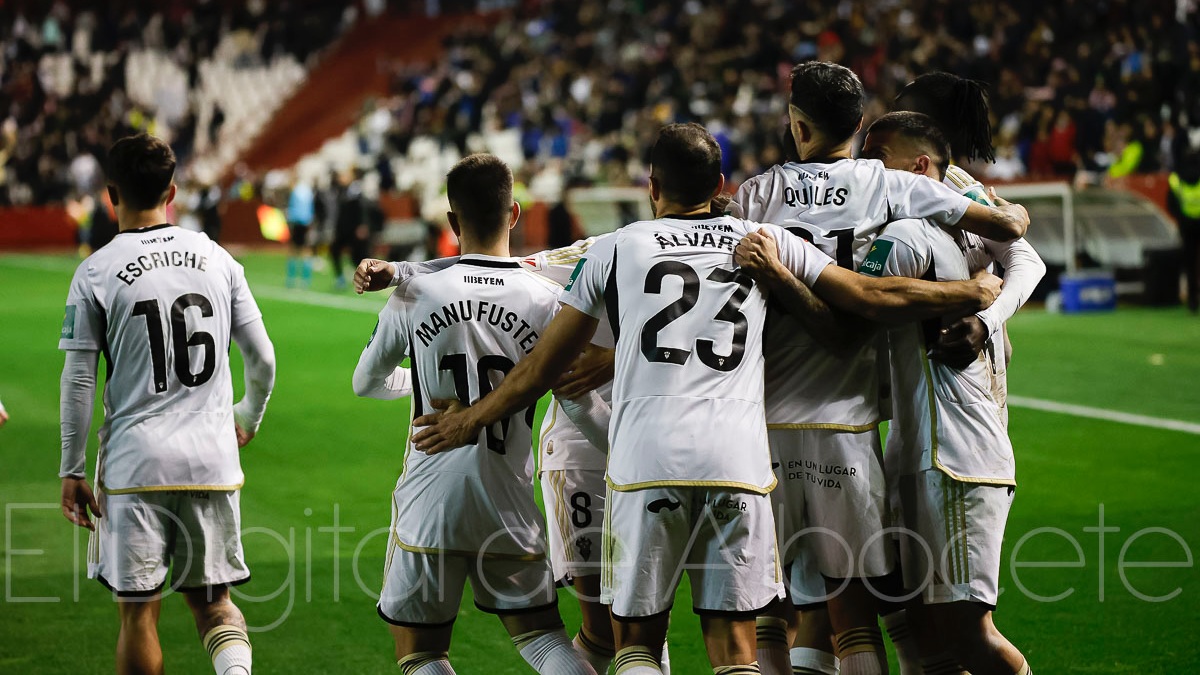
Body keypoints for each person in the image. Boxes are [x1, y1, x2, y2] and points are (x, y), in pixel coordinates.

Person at [408, 123, 1002, 674]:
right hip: (738, 464)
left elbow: (540, 369)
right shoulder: (759, 239)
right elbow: (869, 294)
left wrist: (470, 421)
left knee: (637, 642)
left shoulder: (618, 247)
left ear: (651, 185)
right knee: (737, 646)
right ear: (721, 187)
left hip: (645, 464)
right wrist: (967, 289)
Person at [729, 62, 1029, 675]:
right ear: (859, 124)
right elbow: (1011, 237)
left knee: (780, 605)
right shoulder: (896, 187)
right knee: (859, 609)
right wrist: (977, 287)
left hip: (760, 426)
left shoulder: (756, 194)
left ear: (796, 124)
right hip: (854, 425)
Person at [352, 153, 598, 675]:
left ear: (451, 221)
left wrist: (415, 386)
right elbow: (580, 403)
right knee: (543, 639)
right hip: (507, 500)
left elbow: (364, 382)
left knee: (421, 653)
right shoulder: (549, 299)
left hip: (430, 499)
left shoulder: (415, 292)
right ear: (514, 215)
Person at [58, 133, 276, 675]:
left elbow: (79, 379)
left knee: (138, 617)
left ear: (112, 194)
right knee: (216, 606)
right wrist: (245, 419)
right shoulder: (218, 258)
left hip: (136, 465)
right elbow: (264, 360)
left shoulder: (95, 271)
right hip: (212, 460)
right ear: (172, 190)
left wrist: (72, 467)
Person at [856, 111, 1036, 674]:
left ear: (920, 166)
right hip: (919, 449)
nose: (866, 169)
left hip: (957, 456)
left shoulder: (912, 231)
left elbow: (856, 302)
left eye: (877, 155)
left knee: (965, 631)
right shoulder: (940, 227)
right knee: (920, 624)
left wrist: (990, 322)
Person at [1167, 153, 1200, 312]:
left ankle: (1192, 300)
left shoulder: (1176, 179)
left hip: (1186, 227)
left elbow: (1171, 204)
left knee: (1190, 264)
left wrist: (1181, 218)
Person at [285, 175, 316, 288]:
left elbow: (292, 210)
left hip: (297, 223)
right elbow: (311, 209)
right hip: (307, 223)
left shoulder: (295, 192)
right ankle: (306, 279)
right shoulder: (307, 191)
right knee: (306, 250)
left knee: (293, 250)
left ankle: (291, 278)